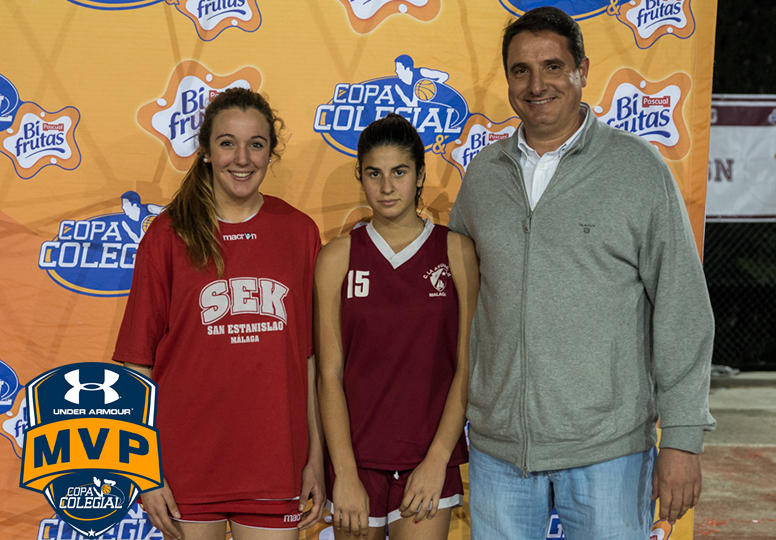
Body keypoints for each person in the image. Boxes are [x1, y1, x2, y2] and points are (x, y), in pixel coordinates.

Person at [447, 7, 716, 540]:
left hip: (609, 453)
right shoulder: (483, 175)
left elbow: (682, 306)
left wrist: (682, 439)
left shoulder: (637, 168)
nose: (536, 84)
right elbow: (460, 299)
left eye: (553, 66)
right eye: (521, 70)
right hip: (500, 452)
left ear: (583, 71)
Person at [113, 87, 325, 540]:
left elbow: (308, 360)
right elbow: (136, 364)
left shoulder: (299, 232)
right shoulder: (168, 234)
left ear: (271, 152)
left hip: (275, 464)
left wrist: (316, 457)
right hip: (185, 468)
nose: (242, 158)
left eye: (256, 144)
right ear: (207, 151)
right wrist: (143, 469)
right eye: (228, 143)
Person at [315, 113, 479, 539]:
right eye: (374, 173)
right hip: (355, 465)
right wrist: (344, 472)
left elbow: (467, 367)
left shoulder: (456, 251)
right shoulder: (336, 258)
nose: (387, 187)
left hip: (427, 463)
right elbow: (329, 374)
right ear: (360, 176)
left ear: (420, 175)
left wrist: (437, 459)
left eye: (399, 172)